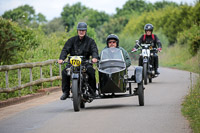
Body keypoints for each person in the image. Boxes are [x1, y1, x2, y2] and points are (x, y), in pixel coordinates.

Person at [58, 22, 99, 100]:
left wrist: (94, 57)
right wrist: (61, 59)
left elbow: (94, 50)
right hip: (72, 63)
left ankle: (92, 92)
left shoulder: (90, 41)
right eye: (80, 30)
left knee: (91, 71)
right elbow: (65, 50)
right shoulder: (71, 40)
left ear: (85, 31)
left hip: (85, 63)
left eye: (83, 30)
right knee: (65, 72)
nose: (81, 32)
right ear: (77, 31)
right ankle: (66, 92)